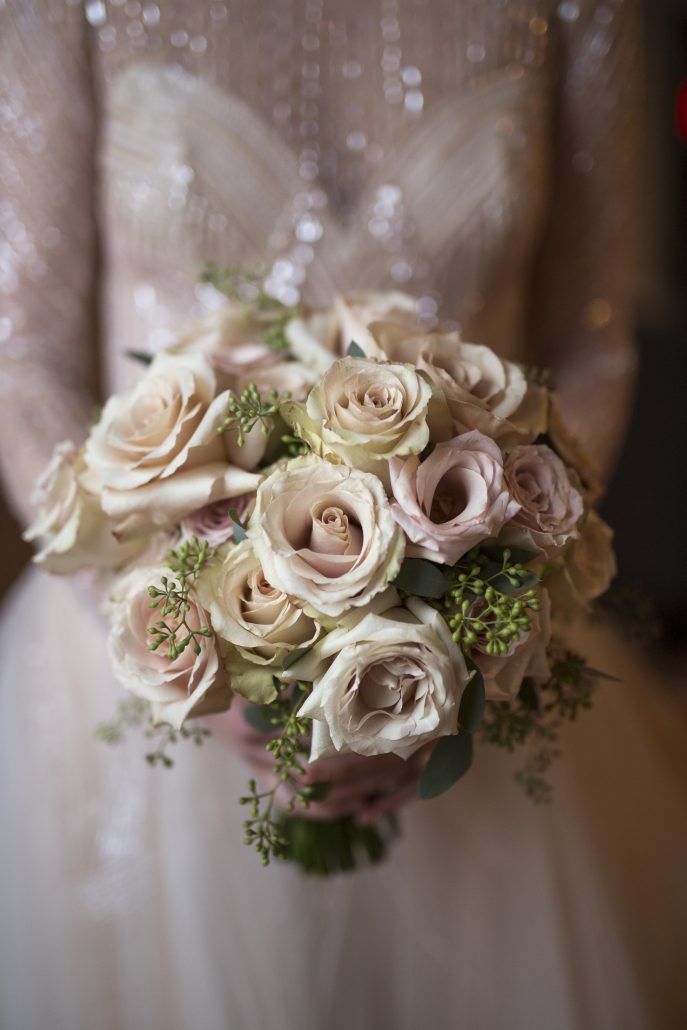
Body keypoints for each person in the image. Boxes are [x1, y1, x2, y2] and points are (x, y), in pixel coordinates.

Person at [1, 2, 685, 1028]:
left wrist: (459, 627)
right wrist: (188, 640)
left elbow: (593, 341)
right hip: (143, 665)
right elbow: (25, 353)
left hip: (484, 666)